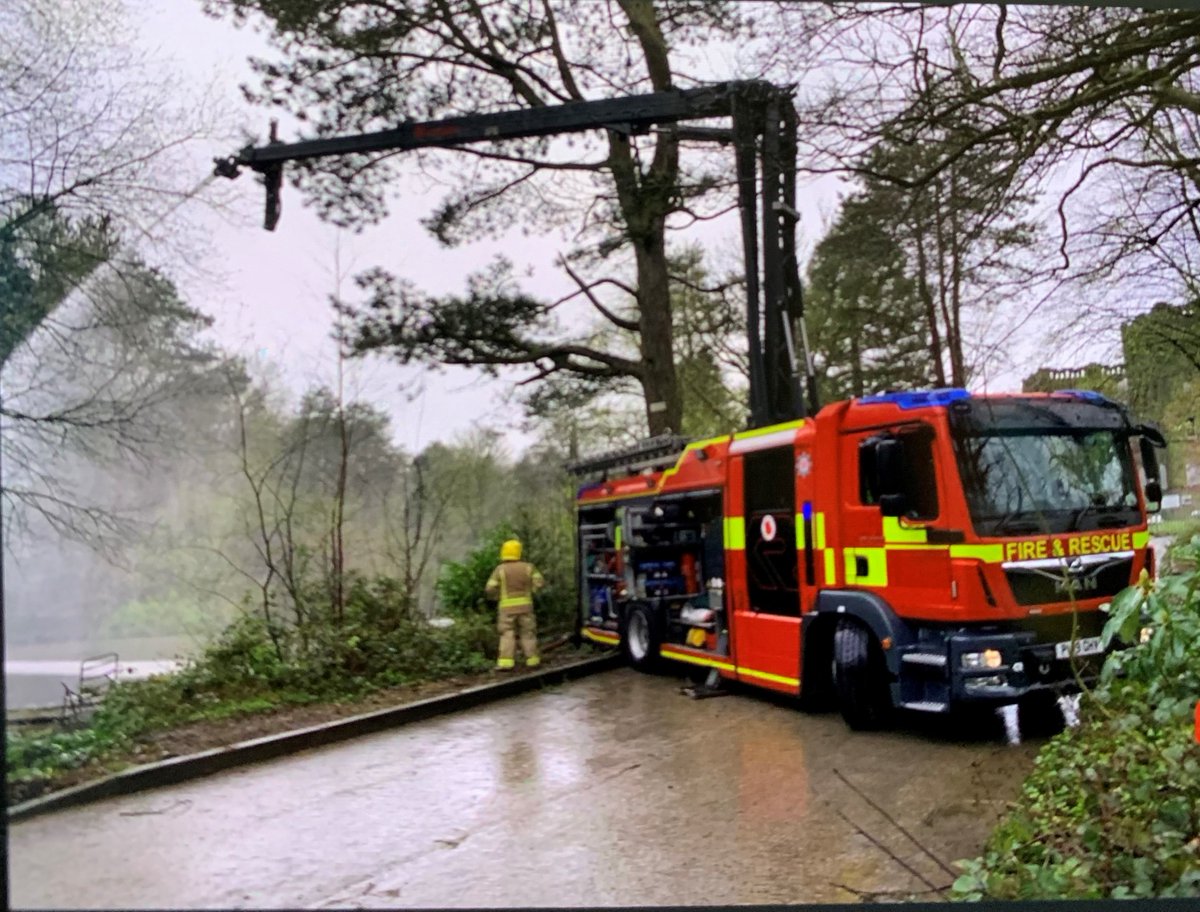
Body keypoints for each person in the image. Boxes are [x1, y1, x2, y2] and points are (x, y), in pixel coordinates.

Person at [485, 539, 545, 670]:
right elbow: (540, 582)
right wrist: (532, 591)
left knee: (507, 633)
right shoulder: (529, 567)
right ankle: (532, 660)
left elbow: (489, 588)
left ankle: (506, 663)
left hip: (506, 609)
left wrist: (496, 597)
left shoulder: (500, 569)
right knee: (528, 633)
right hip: (526, 607)